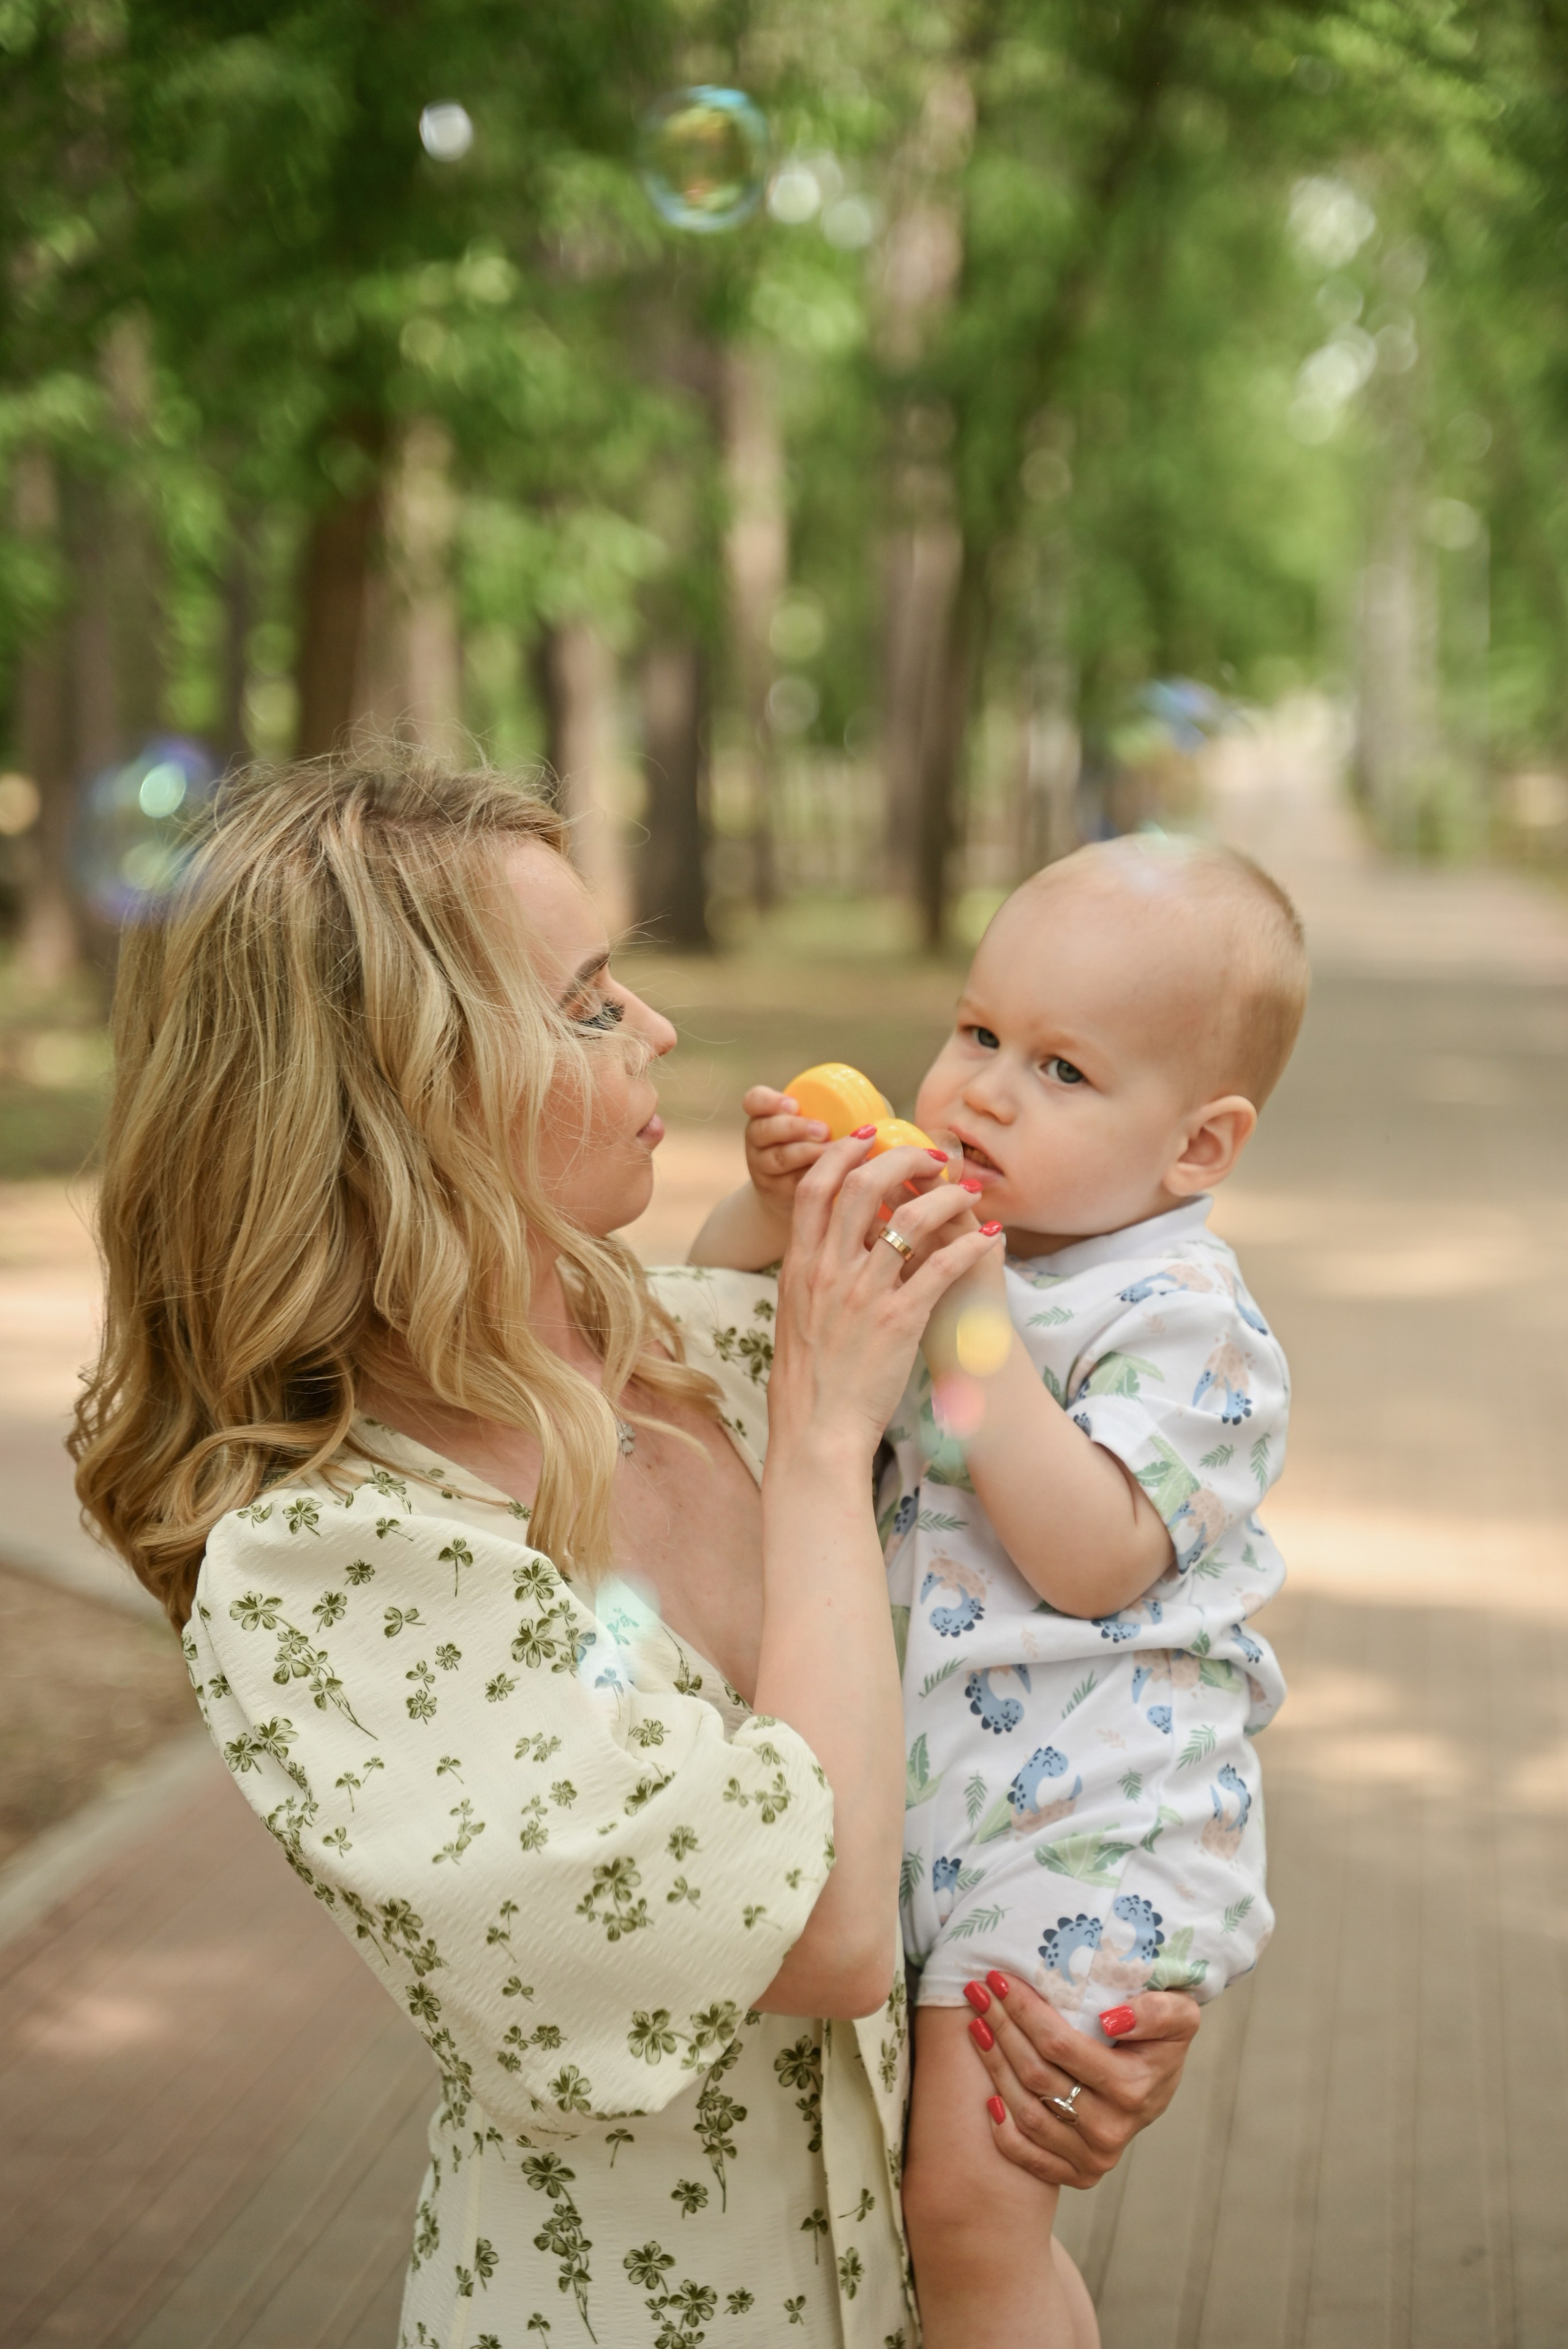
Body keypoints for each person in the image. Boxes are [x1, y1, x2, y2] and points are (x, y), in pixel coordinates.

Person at [72, 758, 1202, 2347]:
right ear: (415, 1090)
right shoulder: (328, 1573)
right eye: (593, 1002)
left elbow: (1029, 1689)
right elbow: (822, 1933)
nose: (661, 1028)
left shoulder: (696, 1347)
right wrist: (818, 1443)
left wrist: (1086, 1999)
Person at [692, 835, 1308, 2348]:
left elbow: (1089, 1550)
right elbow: (709, 1311)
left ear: (1196, 1148)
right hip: (935, 1806)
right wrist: (776, 1217)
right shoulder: (966, 1244)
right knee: (907, 2218)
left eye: (1060, 1070)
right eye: (975, 1033)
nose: (977, 1091)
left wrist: (969, 1319)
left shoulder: (1182, 1321)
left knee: (965, 2214)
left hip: (1089, 1827)